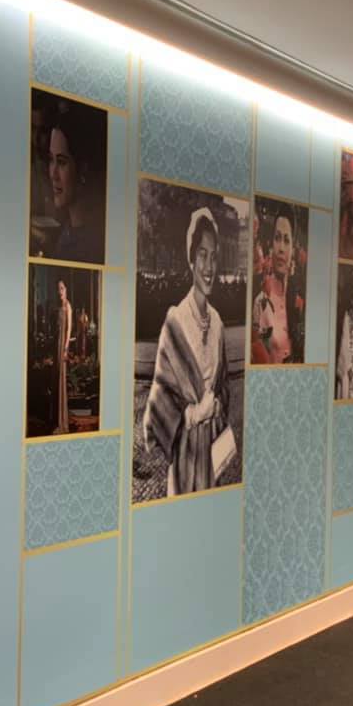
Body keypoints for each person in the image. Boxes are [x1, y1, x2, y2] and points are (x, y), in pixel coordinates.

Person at [142, 208, 230, 496]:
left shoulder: (218, 323)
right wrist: (192, 415)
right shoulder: (176, 321)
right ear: (191, 259)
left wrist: (217, 405)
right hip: (184, 460)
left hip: (212, 459)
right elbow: (159, 401)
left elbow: (225, 387)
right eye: (202, 255)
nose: (209, 266)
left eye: (213, 256)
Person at [39, 101, 105, 263]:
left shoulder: (90, 243)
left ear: (82, 168)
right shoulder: (68, 230)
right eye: (51, 160)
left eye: (62, 162)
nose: (53, 174)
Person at [251, 209, 298, 364]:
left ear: (293, 250)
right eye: (277, 238)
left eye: (287, 240)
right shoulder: (260, 303)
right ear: (271, 244)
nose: (281, 248)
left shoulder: (298, 300)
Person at [54, 279, 73, 434]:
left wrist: (66, 348)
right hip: (57, 344)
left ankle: (63, 423)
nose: (60, 291)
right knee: (57, 380)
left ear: (66, 289)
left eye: (62, 288)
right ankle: (58, 420)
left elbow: (69, 330)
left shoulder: (68, 306)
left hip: (63, 346)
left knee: (62, 380)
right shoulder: (59, 306)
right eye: (58, 289)